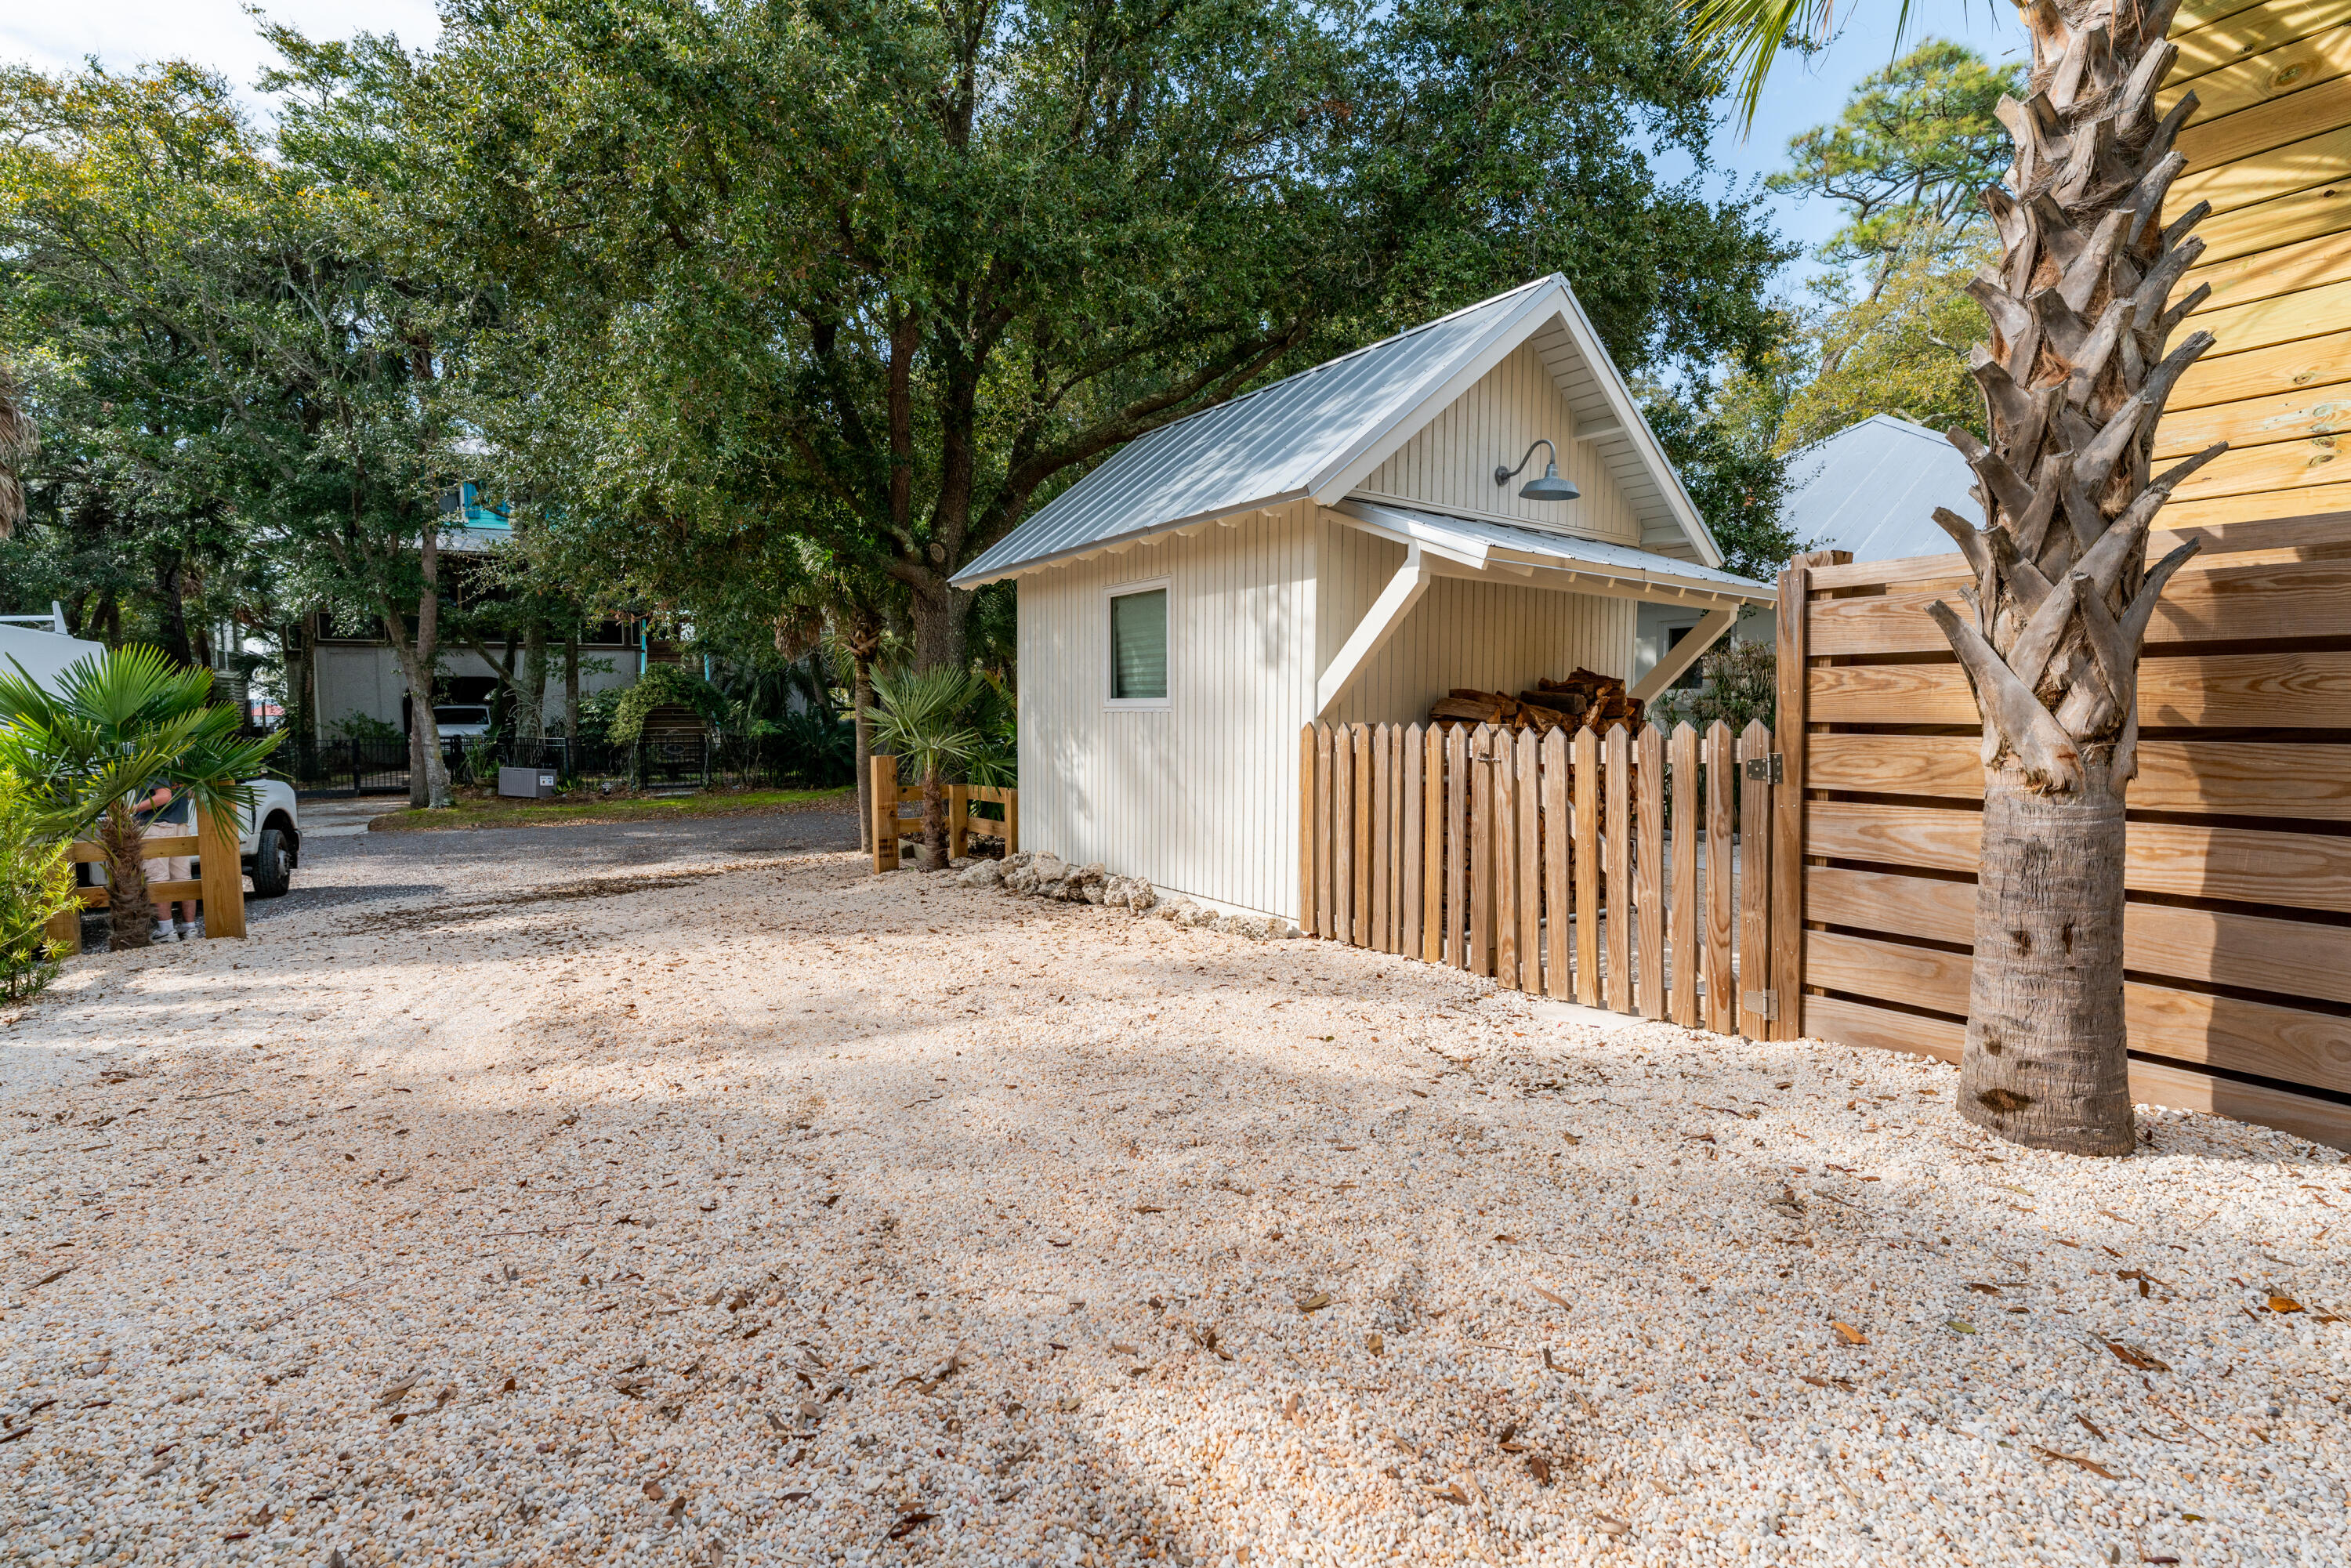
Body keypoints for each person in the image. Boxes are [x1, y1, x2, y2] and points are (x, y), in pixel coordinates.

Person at [136, 784, 199, 942]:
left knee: (158, 879)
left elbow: (164, 796)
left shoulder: (154, 768)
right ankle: (190, 928)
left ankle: (166, 931)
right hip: (180, 824)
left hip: (156, 825)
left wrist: (131, 809)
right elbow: (192, 792)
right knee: (183, 878)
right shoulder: (182, 768)